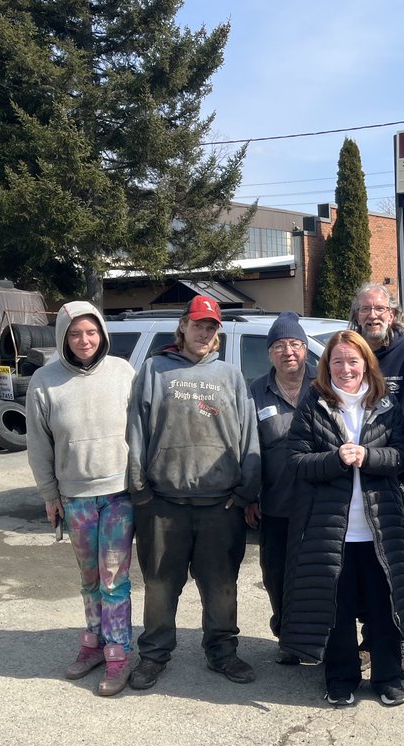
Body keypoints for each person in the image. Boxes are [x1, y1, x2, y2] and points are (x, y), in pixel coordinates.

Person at [126, 296, 261, 690]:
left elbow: (248, 437)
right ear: (183, 326)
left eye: (211, 326)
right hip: (163, 505)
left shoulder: (230, 377)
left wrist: (244, 493)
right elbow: (135, 431)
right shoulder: (154, 370)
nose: (204, 332)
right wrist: (140, 490)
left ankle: (222, 652)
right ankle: (153, 655)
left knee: (221, 586)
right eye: (198, 323)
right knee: (159, 585)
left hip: (220, 506)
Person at [280, 330, 404, 707]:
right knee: (335, 608)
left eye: (353, 361)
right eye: (337, 361)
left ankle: (387, 678)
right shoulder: (314, 403)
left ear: (366, 364)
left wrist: (369, 457)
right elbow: (295, 461)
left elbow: (403, 455)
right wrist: (334, 458)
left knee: (383, 607)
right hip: (330, 529)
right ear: (327, 366)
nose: (345, 368)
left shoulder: (384, 403)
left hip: (379, 527)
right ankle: (341, 678)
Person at [26, 301, 137, 696]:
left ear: (102, 334)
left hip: (119, 495)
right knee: (89, 579)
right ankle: (93, 643)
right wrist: (49, 494)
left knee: (113, 580)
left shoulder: (123, 372)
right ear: (63, 337)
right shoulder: (45, 380)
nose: (84, 340)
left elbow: (140, 429)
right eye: (75, 333)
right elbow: (38, 442)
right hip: (75, 498)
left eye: (91, 332)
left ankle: (119, 653)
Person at [349, 282, 404, 679]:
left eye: (380, 308)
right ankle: (371, 640)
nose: (372, 315)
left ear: (393, 314)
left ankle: (403, 643)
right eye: (365, 309)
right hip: (358, 482)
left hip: (399, 482)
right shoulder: (350, 352)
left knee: (402, 566)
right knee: (366, 567)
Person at [246, 312, 314, 665]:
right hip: (273, 504)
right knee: (276, 575)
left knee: (315, 575)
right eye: (279, 346)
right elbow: (249, 447)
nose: (288, 352)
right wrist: (250, 496)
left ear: (304, 349)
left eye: (294, 344)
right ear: (270, 353)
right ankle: (287, 636)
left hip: (318, 504)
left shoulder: (323, 385)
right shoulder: (256, 390)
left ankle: (319, 638)